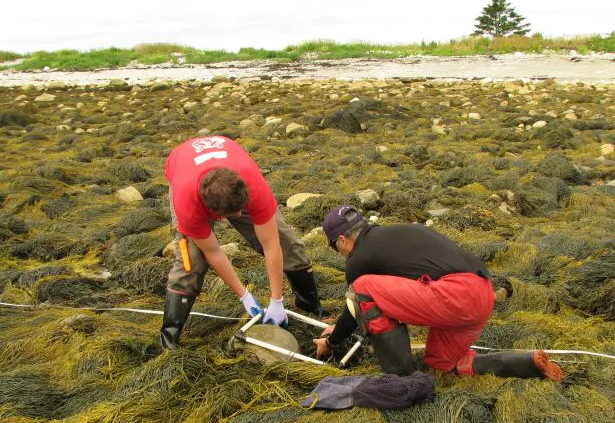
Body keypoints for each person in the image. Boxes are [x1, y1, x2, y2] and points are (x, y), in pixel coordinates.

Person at [313, 205, 562, 381]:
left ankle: (401, 377)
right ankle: (527, 363)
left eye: (337, 249)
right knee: (442, 363)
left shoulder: (360, 257)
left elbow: (353, 305)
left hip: (453, 295)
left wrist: (331, 340)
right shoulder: (402, 233)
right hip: (482, 293)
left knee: (361, 288)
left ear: (342, 240)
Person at [160, 135, 328, 349]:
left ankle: (309, 304)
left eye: (242, 209)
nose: (240, 215)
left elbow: (271, 243)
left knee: (287, 243)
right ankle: (169, 337)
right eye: (234, 213)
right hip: (184, 167)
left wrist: (276, 300)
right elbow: (213, 252)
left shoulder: (252, 184)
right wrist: (244, 296)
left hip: (231, 166)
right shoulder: (188, 205)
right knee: (191, 261)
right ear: (214, 213)